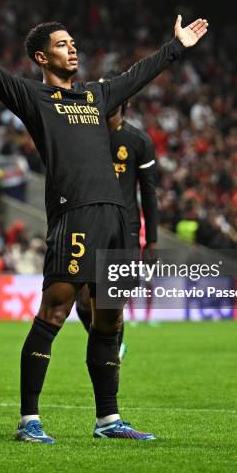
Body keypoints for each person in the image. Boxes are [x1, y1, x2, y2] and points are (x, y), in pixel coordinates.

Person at [0, 0, 208, 443]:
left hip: (116, 218)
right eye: (62, 45)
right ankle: (29, 419)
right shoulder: (35, 98)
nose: (73, 50)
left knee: (110, 320)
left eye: (73, 43)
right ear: (43, 57)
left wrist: (176, 46)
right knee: (57, 307)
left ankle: (109, 420)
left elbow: (139, 74)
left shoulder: (97, 96)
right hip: (74, 213)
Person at [76, 78, 159, 355]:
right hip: (89, 224)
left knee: (112, 300)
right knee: (83, 303)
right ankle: (111, 343)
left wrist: (153, 242)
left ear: (125, 101)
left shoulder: (137, 141)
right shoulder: (85, 136)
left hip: (125, 229)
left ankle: (111, 351)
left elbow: (148, 193)